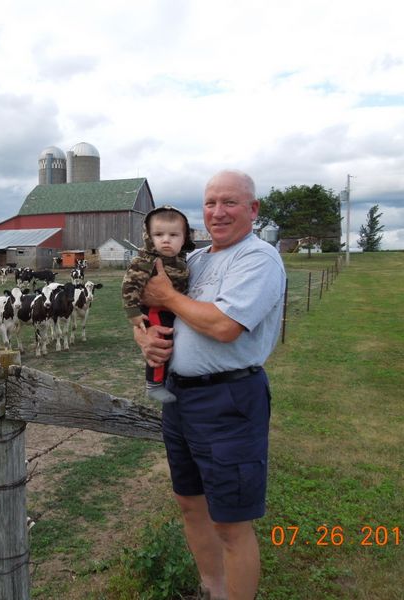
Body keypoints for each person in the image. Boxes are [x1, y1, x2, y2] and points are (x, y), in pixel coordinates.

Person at [134, 170, 286, 600]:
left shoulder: (258, 259)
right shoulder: (196, 260)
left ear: (252, 209)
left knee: (231, 522)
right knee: (190, 502)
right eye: (210, 203)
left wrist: (167, 297)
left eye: (230, 202)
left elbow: (223, 326)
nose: (217, 213)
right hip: (180, 397)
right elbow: (149, 308)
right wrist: (145, 339)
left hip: (229, 399)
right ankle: (212, 590)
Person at [121, 205, 195, 403]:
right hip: (155, 310)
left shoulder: (182, 259)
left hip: (175, 309)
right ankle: (153, 384)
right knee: (160, 343)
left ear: (184, 238)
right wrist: (133, 313)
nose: (166, 239)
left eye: (173, 235)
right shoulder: (147, 261)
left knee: (173, 344)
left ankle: (166, 378)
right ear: (149, 237)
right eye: (159, 234)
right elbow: (130, 285)